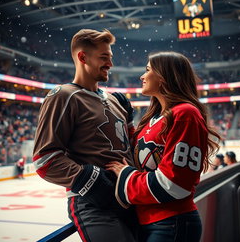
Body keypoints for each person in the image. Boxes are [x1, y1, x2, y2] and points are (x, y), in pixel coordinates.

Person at [32, 29, 137, 242]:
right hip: (92, 203)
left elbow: (129, 146)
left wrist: (131, 123)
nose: (110, 64)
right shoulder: (63, 96)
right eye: (104, 58)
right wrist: (87, 180)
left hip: (130, 197)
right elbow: (44, 159)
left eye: (110, 58)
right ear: (83, 57)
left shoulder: (115, 100)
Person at [106, 51, 221, 242]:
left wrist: (125, 175)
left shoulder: (185, 114)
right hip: (148, 222)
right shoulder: (153, 118)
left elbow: (174, 185)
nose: (142, 76)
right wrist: (125, 121)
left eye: (148, 70)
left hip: (171, 222)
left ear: (164, 76)